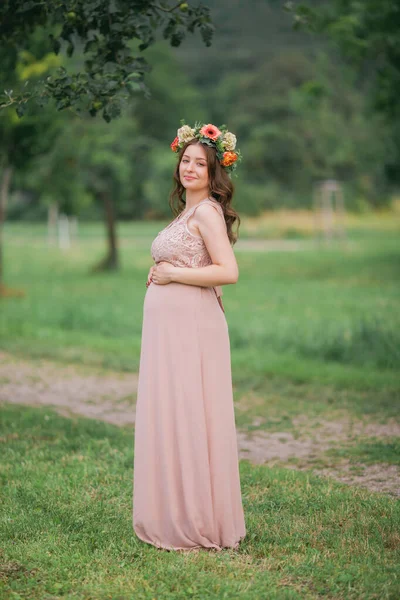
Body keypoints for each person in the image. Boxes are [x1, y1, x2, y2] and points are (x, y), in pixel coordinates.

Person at [133, 122, 246, 552]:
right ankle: (172, 508)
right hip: (170, 330)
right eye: (186, 161)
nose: (191, 168)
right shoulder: (185, 213)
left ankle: (197, 519)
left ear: (214, 171)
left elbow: (228, 271)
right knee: (172, 411)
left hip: (192, 331)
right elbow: (182, 258)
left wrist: (173, 274)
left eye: (201, 163)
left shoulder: (207, 212)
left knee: (190, 411)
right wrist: (159, 272)